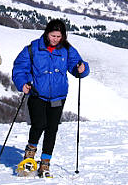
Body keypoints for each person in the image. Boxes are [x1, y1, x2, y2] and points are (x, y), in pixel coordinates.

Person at [12, 19, 90, 178]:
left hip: (58, 96)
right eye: (53, 35)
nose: (55, 39)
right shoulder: (33, 48)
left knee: (52, 129)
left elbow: (77, 65)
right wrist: (23, 83)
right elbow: (20, 67)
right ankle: (29, 156)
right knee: (38, 124)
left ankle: (45, 163)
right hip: (37, 94)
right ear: (47, 33)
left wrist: (82, 68)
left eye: (58, 36)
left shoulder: (67, 50)